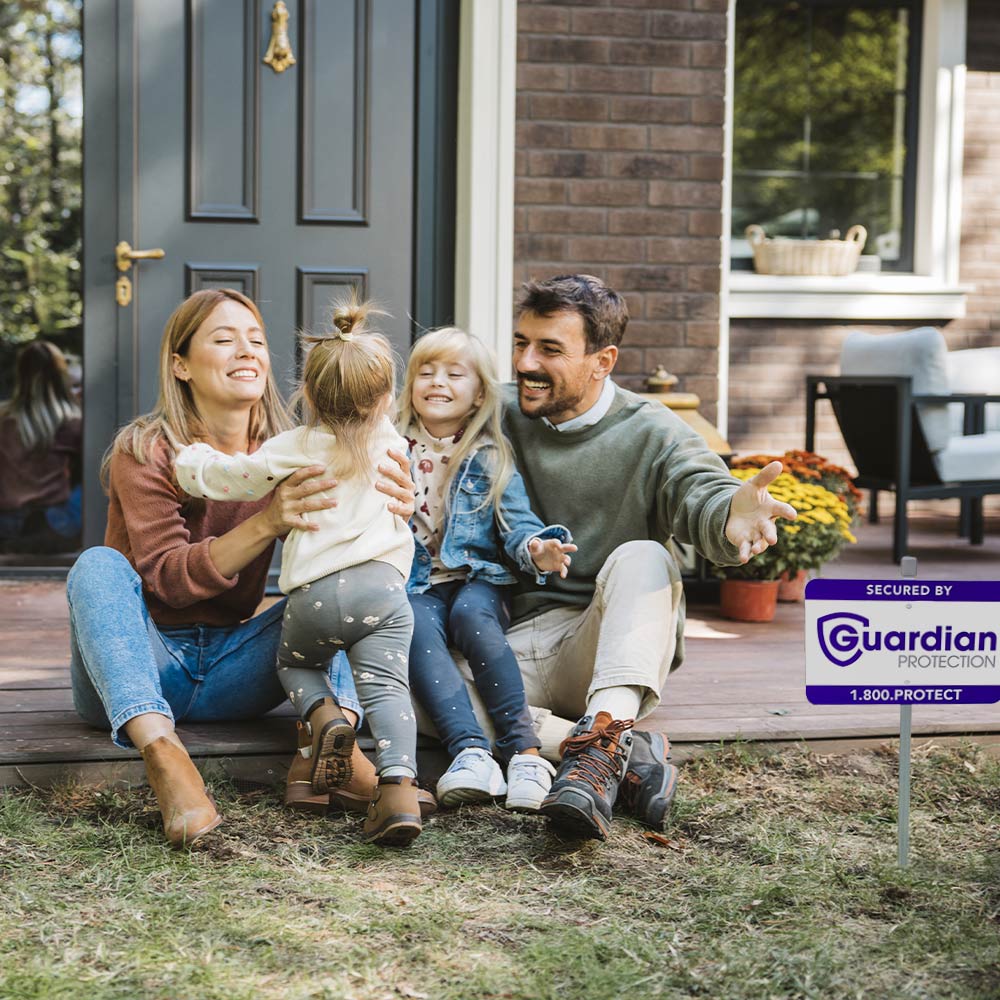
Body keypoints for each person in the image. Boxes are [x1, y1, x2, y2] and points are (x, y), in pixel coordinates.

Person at [441, 274, 796, 841]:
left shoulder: (652, 431)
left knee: (645, 558)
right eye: (520, 343)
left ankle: (603, 730)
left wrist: (730, 515)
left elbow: (699, 490)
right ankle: (615, 753)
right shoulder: (491, 412)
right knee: (413, 682)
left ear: (602, 361)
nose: (526, 362)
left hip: (600, 646)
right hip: (501, 646)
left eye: (550, 350)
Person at [66, 288, 416, 848]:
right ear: (180, 365)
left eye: (255, 339)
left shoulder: (301, 447)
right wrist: (269, 520)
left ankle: (327, 743)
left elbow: (382, 531)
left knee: (348, 588)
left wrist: (400, 498)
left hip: (235, 665)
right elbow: (168, 582)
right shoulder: (147, 450)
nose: (246, 351)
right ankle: (165, 757)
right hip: (140, 663)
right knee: (97, 566)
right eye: (224, 339)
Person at [176, 299, 432, 846]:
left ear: (308, 396)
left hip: (315, 596)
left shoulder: (294, 447)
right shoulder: (393, 442)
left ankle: (324, 718)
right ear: (387, 398)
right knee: (387, 689)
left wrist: (191, 461)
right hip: (384, 594)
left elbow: (233, 480)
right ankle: (399, 793)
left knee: (296, 665)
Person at [397, 327, 577, 812]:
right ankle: (471, 752)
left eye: (455, 374)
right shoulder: (388, 449)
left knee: (473, 619)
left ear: (479, 395)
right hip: (414, 583)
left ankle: (525, 754)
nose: (438, 382)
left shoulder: (489, 457)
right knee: (413, 625)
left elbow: (518, 525)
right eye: (426, 372)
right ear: (411, 385)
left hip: (478, 579)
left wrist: (539, 548)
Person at [0, 339, 82, 552]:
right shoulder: (73, 422)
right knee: (99, 479)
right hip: (54, 525)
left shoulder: (3, 419)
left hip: (7, 524)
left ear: (21, 374)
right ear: (60, 375)